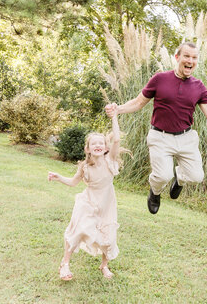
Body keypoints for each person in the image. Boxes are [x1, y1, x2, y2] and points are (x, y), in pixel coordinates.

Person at [105, 42, 207, 215]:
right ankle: (155, 191)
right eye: (187, 56)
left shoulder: (199, 86)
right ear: (177, 58)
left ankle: (180, 178)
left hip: (186, 138)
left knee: (196, 177)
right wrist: (118, 109)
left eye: (194, 57)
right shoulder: (160, 79)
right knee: (162, 176)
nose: (190, 60)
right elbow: (138, 103)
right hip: (160, 136)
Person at [48, 106, 124, 281]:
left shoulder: (110, 160)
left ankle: (104, 265)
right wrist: (59, 177)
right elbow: (74, 182)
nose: (98, 145)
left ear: (105, 148)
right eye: (93, 143)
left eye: (101, 143)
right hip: (88, 203)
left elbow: (117, 139)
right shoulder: (85, 167)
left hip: (106, 205)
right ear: (88, 149)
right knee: (78, 230)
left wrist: (114, 116)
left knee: (108, 237)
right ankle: (65, 264)